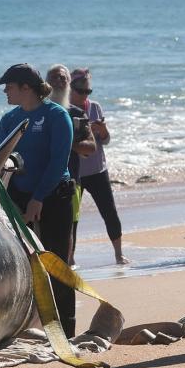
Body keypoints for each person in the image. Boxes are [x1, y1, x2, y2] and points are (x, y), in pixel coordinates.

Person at [0, 63, 78, 337]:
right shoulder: (9, 119)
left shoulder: (56, 115)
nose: (5, 91)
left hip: (54, 195)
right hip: (18, 198)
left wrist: (38, 198)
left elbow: (58, 162)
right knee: (20, 264)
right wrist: (7, 201)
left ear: (25, 88)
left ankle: (67, 331)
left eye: (9, 86)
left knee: (56, 263)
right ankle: (29, 328)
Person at [68, 68, 128, 265]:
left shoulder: (95, 107)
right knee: (71, 220)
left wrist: (102, 130)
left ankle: (119, 254)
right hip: (74, 174)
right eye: (81, 90)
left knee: (109, 212)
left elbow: (106, 140)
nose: (85, 95)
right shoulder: (63, 110)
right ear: (70, 87)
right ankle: (70, 259)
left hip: (97, 170)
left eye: (88, 91)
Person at [47, 64, 96, 266]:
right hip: (39, 181)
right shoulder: (38, 112)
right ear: (46, 83)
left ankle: (68, 268)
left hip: (70, 182)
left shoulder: (76, 114)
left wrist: (68, 143)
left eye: (63, 78)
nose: (59, 82)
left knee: (69, 229)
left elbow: (91, 147)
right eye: (54, 78)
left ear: (69, 83)